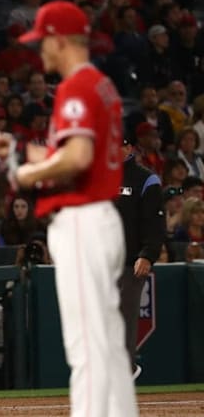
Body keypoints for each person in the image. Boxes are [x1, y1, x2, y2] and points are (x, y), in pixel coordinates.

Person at [12, 1, 138, 416]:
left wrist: (27, 176)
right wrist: (16, 152)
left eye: (42, 41)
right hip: (101, 218)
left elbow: (78, 157)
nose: (40, 50)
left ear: (59, 39)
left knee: (86, 345)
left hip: (83, 220)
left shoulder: (77, 86)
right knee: (109, 343)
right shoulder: (101, 84)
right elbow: (67, 153)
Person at [115, 136, 166, 380]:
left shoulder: (145, 178)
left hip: (130, 261)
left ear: (128, 148)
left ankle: (124, 370)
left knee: (124, 315)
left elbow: (155, 223)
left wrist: (148, 254)